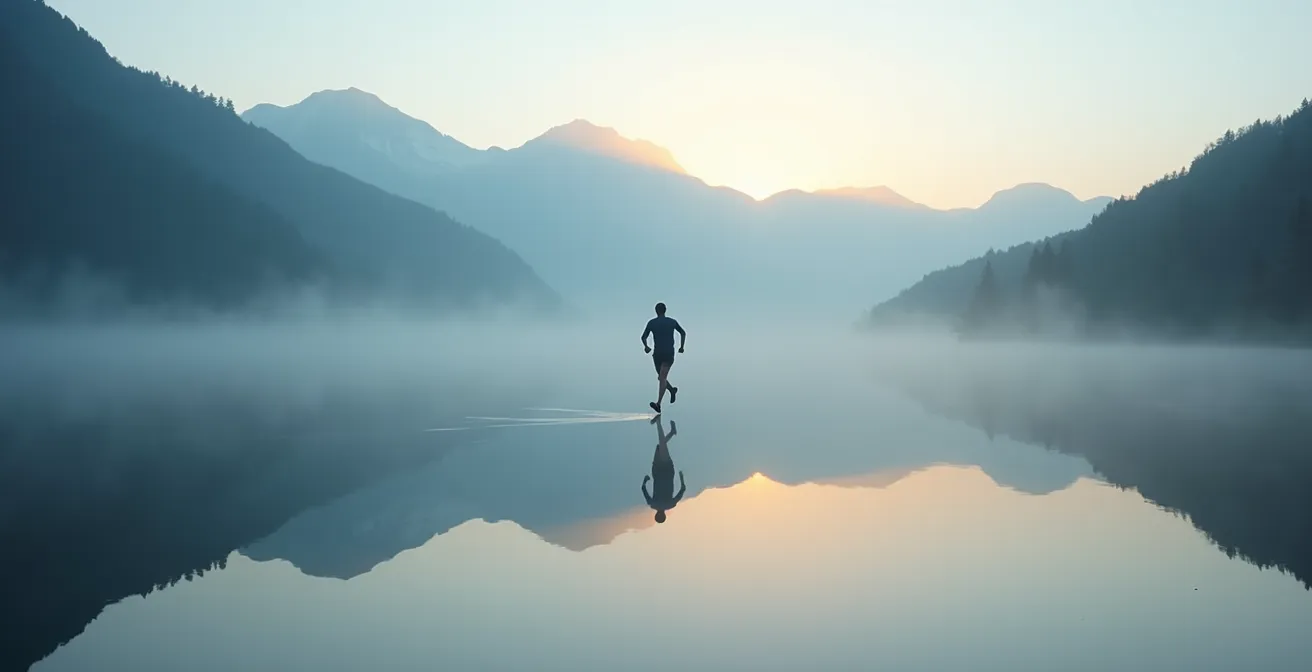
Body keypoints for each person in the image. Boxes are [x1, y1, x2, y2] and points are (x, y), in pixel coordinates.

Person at [641, 302, 686, 414]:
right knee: (661, 378)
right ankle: (672, 390)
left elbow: (643, 337)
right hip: (666, 353)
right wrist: (681, 347)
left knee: (662, 377)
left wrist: (646, 346)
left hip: (660, 354)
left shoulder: (652, 322)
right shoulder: (671, 322)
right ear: (665, 310)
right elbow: (683, 333)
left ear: (656, 311)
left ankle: (658, 404)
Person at [642, 417, 685, 524]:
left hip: (668, 471)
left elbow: (682, 489)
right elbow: (643, 488)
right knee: (660, 445)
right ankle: (658, 422)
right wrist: (646, 480)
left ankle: (671, 432)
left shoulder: (671, 504)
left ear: (664, 515)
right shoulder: (653, 504)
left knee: (661, 446)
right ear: (656, 515)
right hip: (658, 471)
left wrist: (681, 477)